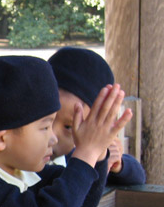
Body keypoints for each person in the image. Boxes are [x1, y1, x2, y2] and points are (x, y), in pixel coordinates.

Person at [0, 55, 132, 207]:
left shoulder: (19, 169)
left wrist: (98, 150)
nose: (53, 138)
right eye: (45, 127)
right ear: (0, 140)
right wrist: (86, 153)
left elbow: (85, 199)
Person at [48, 46, 146, 185]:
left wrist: (116, 162)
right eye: (46, 121)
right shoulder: (21, 157)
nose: (52, 135)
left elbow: (137, 177)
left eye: (69, 127)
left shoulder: (80, 156)